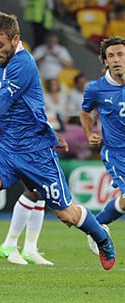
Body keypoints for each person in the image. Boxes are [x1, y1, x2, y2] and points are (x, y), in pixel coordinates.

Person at [0, 12, 115, 273]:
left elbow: (2, 103)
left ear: (15, 39)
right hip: (5, 148)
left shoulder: (24, 65)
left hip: (36, 152)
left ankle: (102, 238)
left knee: (67, 214)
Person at [80, 36, 125, 254]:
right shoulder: (96, 89)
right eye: (111, 56)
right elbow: (85, 112)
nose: (117, 59)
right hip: (117, 154)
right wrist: (90, 133)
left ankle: (95, 227)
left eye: (121, 54)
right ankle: (97, 230)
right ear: (105, 61)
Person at [0, 133, 69, 266]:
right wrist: (54, 135)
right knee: (32, 192)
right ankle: (9, 244)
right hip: (21, 147)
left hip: (34, 147)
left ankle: (30, 248)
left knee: (40, 194)